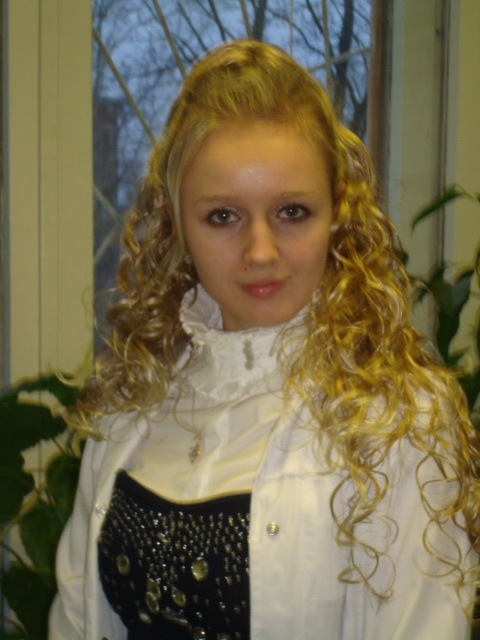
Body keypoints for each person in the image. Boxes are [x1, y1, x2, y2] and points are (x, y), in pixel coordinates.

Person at [49, 40, 480, 640]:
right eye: (223, 216)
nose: (260, 252)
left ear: (338, 210)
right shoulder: (136, 396)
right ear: (176, 223)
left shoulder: (401, 422)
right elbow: (76, 617)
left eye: (292, 212)